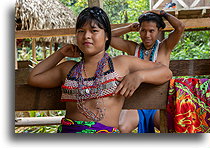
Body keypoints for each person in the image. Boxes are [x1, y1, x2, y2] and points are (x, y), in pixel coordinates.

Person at [27, 6, 172, 133]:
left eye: (94, 30)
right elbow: (34, 77)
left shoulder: (122, 64)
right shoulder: (68, 68)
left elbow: (166, 72)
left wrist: (139, 76)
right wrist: (60, 53)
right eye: (81, 31)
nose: (87, 36)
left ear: (107, 36)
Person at [110, 10, 185, 133]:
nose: (147, 35)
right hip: (136, 102)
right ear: (139, 30)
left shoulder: (164, 47)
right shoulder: (133, 48)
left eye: (151, 31)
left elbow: (180, 27)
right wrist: (128, 28)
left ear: (159, 30)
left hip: (159, 103)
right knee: (122, 128)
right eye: (143, 30)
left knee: (173, 129)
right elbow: (108, 38)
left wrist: (163, 13)